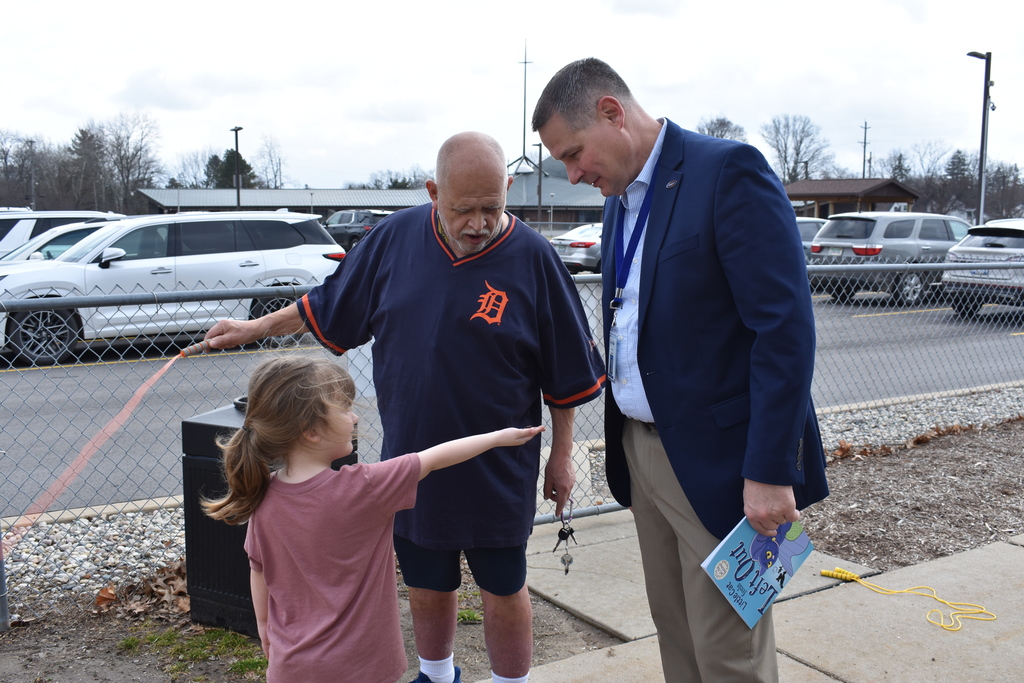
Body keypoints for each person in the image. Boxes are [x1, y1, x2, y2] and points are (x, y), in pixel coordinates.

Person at [203, 131, 606, 683]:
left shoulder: (534, 258)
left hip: (501, 465)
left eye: (492, 207)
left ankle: (512, 681)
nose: (478, 224)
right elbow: (327, 305)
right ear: (433, 192)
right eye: (463, 209)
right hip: (411, 460)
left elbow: (566, 379)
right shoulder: (393, 240)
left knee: (504, 586)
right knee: (427, 580)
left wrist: (561, 458)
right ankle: (436, 675)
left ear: (508, 188)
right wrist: (255, 326)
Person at [533, 58, 829, 681]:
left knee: (728, 653)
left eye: (574, 152)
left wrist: (771, 470)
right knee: (676, 634)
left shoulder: (727, 172)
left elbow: (783, 330)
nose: (573, 172)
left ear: (613, 112)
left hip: (723, 462)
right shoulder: (619, 201)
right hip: (642, 453)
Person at [202, 355, 546, 683]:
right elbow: (433, 459)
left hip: (291, 665)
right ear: (311, 431)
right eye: (345, 409)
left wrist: (265, 629)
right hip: (359, 665)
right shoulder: (364, 488)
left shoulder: (263, 497)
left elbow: (258, 569)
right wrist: (498, 438)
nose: (354, 418)